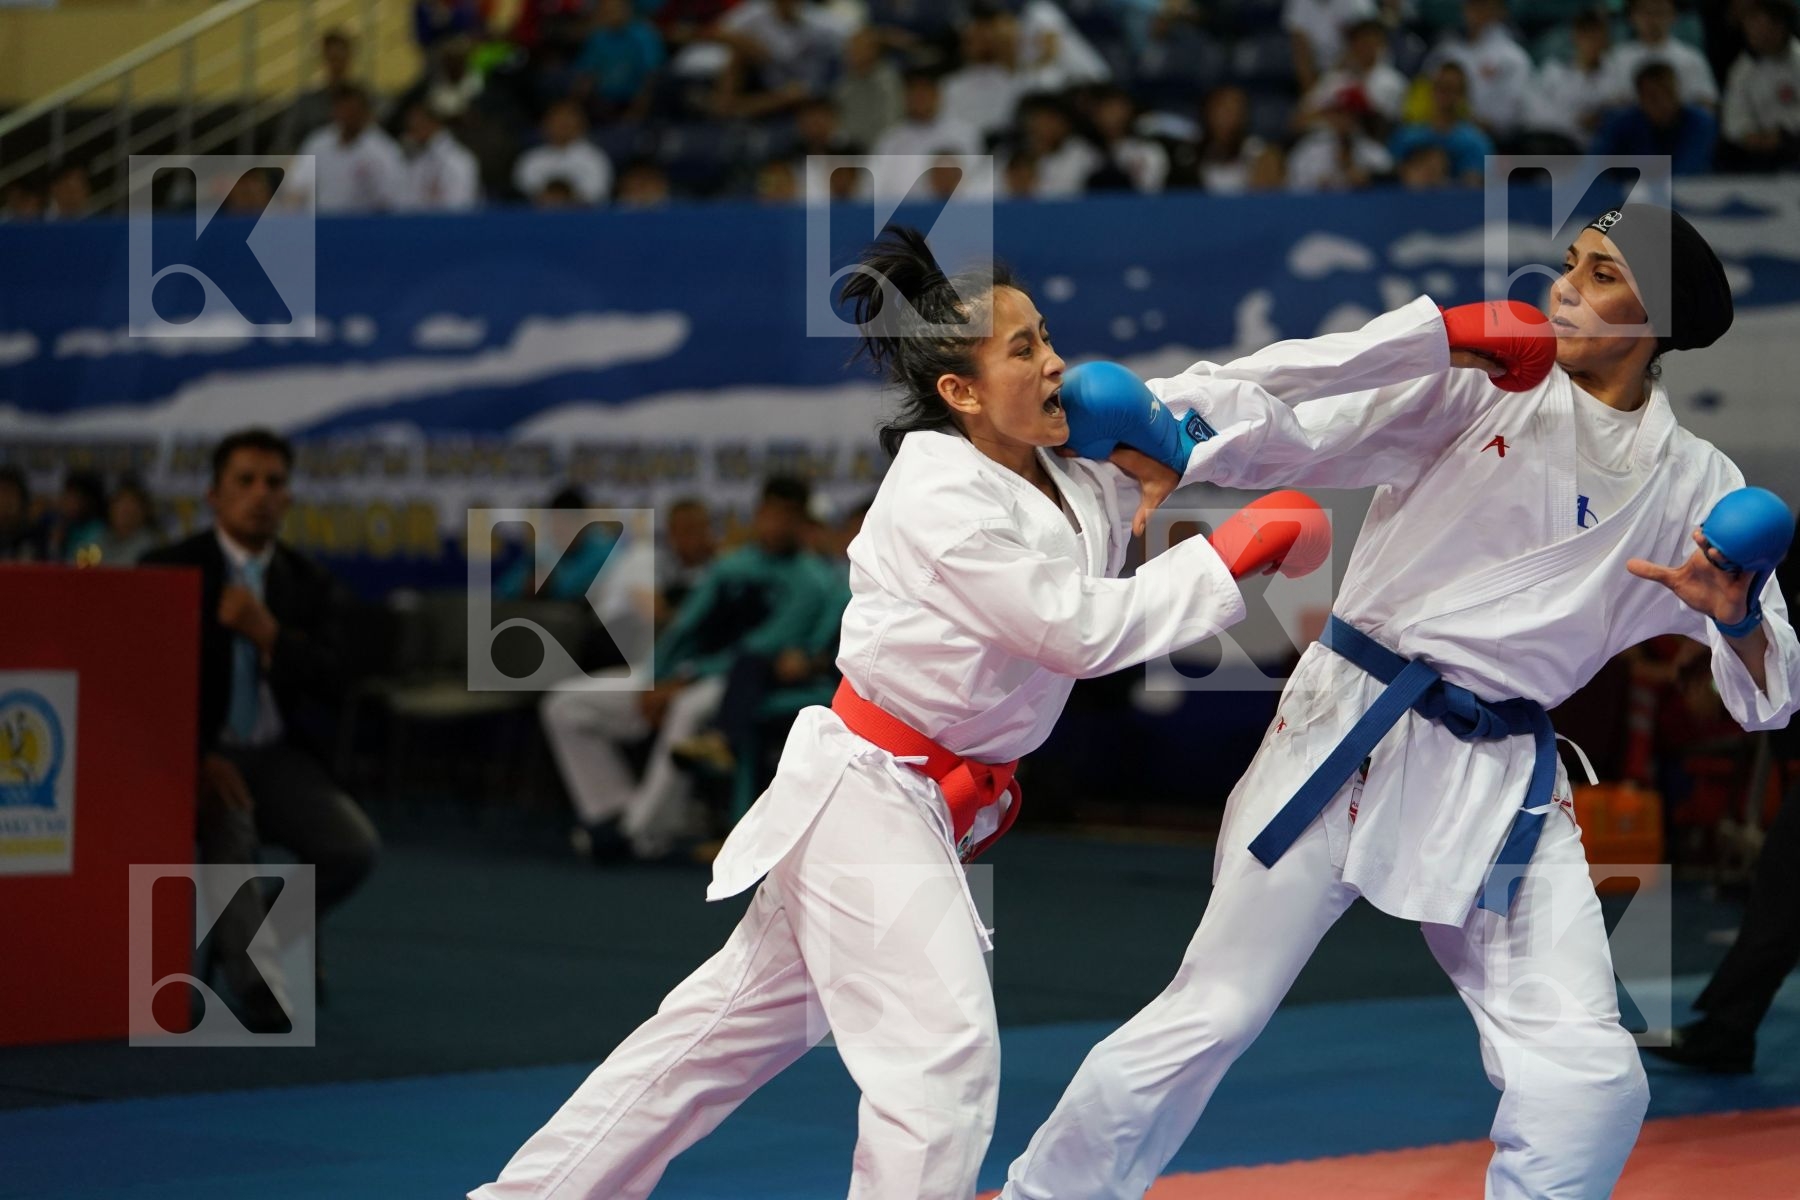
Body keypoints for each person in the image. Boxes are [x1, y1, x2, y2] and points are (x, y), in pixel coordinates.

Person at [470, 226, 1541, 1200]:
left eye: (1045, 336)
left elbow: (1242, 386)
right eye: (1022, 350)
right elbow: (1078, 630)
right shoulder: (934, 500)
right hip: (870, 795)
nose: (1053, 361)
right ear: (962, 391)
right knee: (941, 1068)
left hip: (925, 801)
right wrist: (1235, 550)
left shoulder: (1077, 453)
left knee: (704, 1046)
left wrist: (1434, 338)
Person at [1000, 205, 1800, 1199]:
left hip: (1501, 775)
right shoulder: (1483, 385)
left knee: (1592, 1076)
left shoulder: (1698, 487)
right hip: (1350, 729)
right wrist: (1172, 431)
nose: (1564, 287)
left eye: (1601, 275)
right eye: (1569, 265)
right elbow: (1304, 427)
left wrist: (1734, 620)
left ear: (1659, 317)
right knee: (1213, 1013)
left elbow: (1769, 698)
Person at [142, 429, 380, 1032]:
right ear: (213, 496)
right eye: (244, 482)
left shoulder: (309, 582)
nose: (261, 495)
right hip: (190, 755)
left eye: (274, 483)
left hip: (279, 755)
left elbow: (339, 679)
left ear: (289, 499)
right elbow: (139, 688)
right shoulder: (169, 571)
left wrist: (270, 635)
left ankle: (250, 939)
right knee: (229, 819)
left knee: (353, 847)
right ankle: (260, 991)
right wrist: (195, 756)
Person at [538, 476, 833, 864]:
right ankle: (612, 811)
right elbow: (684, 627)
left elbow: (757, 650)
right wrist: (656, 677)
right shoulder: (731, 565)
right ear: (758, 514)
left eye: (788, 517)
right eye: (770, 514)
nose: (776, 525)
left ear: (802, 522)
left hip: (726, 682)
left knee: (687, 709)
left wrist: (681, 682)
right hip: (677, 675)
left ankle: (638, 832)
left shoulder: (810, 582)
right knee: (564, 706)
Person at [287, 84, 409, 213]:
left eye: (352, 111)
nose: (347, 116)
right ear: (334, 112)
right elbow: (297, 189)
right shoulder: (317, 144)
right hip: (322, 224)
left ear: (364, 112)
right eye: (342, 110)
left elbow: (393, 199)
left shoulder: (383, 150)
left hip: (365, 224)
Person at [1592, 60, 1719, 175]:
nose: (1664, 103)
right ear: (1640, 99)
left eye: (1669, 93)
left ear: (1679, 91)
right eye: (1653, 97)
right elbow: (1594, 166)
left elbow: (1688, 170)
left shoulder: (1700, 122)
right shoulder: (1620, 123)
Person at [1719, 0, 1800, 172]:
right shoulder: (1742, 69)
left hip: (1792, 140)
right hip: (1757, 146)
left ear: (1780, 27)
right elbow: (1734, 118)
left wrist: (1782, 134)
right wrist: (1748, 135)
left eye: (1760, 26)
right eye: (1750, 25)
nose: (1753, 32)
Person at [1605, 0, 1720, 110]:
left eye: (1659, 11)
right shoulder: (1617, 57)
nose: (1652, 19)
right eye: (1646, 12)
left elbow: (1708, 103)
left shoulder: (1691, 57)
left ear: (1673, 15)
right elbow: (1609, 103)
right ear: (1632, 16)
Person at [513, 98, 614, 206]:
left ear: (582, 124)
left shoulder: (594, 158)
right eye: (556, 119)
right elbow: (521, 194)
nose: (561, 124)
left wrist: (567, 199)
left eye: (567, 120)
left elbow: (598, 195)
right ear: (544, 124)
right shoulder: (531, 158)